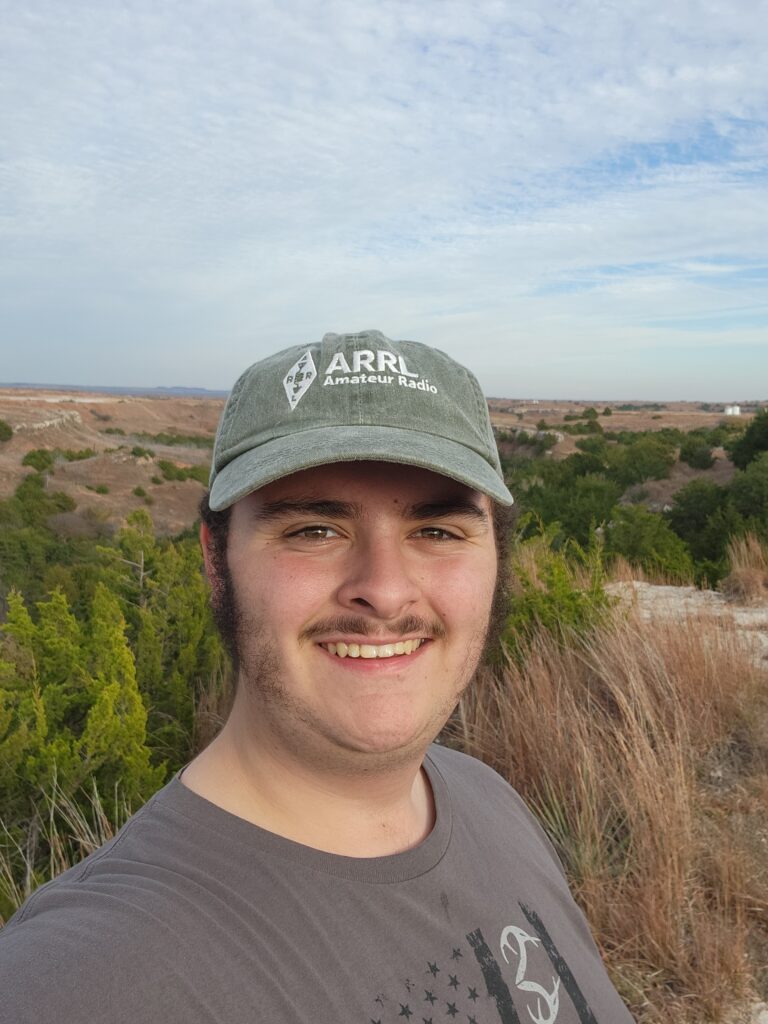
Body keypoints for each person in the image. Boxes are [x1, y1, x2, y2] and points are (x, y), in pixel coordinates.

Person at [0, 330, 634, 1023]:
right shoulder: (89, 978)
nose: (386, 592)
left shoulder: (489, 799)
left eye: (438, 532)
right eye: (314, 531)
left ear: (498, 557)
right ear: (217, 563)